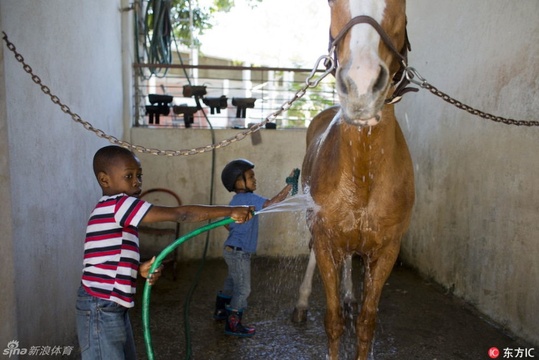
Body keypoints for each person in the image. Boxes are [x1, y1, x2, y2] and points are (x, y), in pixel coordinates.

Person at [76, 145, 253, 360]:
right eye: (128, 176)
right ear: (105, 180)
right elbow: (182, 214)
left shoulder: (115, 210)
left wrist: (137, 270)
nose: (136, 182)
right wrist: (230, 211)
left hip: (109, 305)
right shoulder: (119, 205)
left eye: (139, 176)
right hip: (100, 307)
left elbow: (106, 259)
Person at [214, 158, 299, 337]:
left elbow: (224, 222)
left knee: (231, 281)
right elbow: (274, 202)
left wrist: (236, 232)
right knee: (243, 288)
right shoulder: (249, 198)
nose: (255, 179)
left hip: (230, 249)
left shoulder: (235, 199)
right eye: (250, 176)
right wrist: (290, 184)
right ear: (238, 182)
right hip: (239, 253)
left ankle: (221, 311)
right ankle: (233, 324)